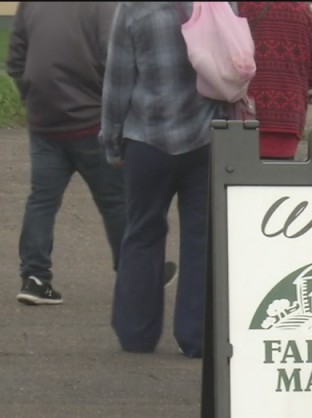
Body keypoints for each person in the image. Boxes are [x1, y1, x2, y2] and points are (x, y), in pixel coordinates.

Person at [100, 2, 234, 359]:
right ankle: (198, 336)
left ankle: (136, 334)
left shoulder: (133, 8)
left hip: (147, 137)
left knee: (142, 231)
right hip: (207, 137)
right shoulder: (218, 3)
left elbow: (118, 80)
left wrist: (112, 141)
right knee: (202, 238)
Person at [5, 2, 127, 306]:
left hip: (44, 120)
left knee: (41, 201)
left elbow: (16, 61)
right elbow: (112, 59)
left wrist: (31, 99)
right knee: (115, 201)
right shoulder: (102, 6)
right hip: (89, 120)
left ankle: (34, 278)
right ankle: (132, 273)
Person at [239, 2, 312, 160]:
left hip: (245, 114)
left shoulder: (242, 7)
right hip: (289, 114)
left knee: (243, 180)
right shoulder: (302, 9)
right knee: (281, 178)